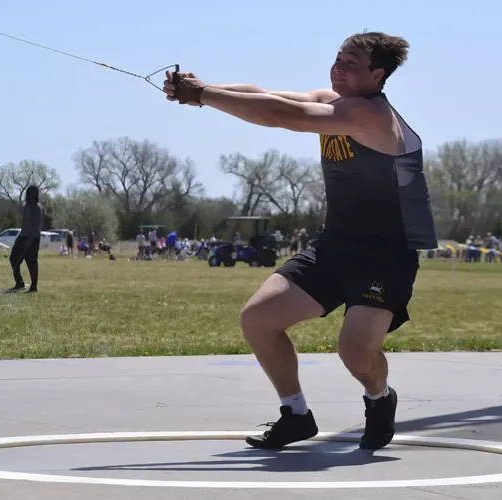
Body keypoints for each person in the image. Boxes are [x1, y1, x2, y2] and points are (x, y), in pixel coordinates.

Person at [165, 32, 437, 451]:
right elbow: (266, 95)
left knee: (355, 354)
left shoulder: (370, 116)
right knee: (258, 319)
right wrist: (206, 89)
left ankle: (380, 398)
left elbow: (279, 115)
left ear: (377, 74)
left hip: (384, 257)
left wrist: (201, 95)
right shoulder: (332, 103)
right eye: (337, 58)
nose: (338, 67)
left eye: (350, 63)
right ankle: (295, 414)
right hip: (334, 247)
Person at [6, 185, 43, 293]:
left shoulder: (37, 208)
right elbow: (19, 208)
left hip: (33, 237)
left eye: (29, 193)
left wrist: (29, 240)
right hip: (22, 235)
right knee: (13, 258)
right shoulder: (27, 206)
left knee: (31, 262)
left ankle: (34, 286)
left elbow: (36, 226)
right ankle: (19, 283)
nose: (27, 195)